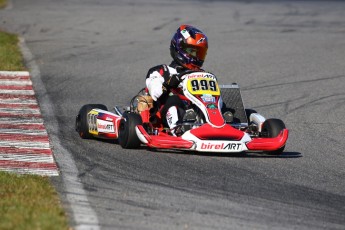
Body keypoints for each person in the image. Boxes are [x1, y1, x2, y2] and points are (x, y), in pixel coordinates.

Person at [145, 25, 208, 135]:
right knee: (175, 99)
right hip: (167, 111)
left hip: (199, 109)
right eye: (193, 52)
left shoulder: (202, 75)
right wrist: (170, 83)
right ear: (180, 49)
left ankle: (229, 124)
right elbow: (155, 93)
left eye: (200, 53)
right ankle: (178, 129)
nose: (197, 57)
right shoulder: (161, 71)